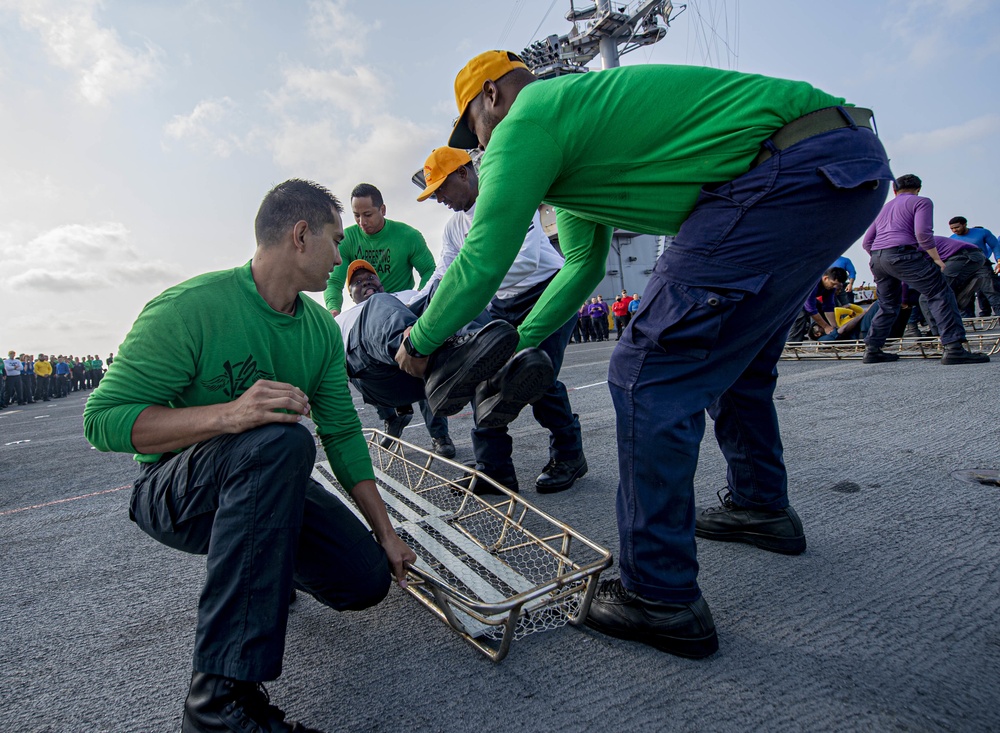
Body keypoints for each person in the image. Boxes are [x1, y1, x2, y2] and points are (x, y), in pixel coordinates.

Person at [395, 50, 896, 659]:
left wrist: (419, 344)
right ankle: (760, 508)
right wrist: (519, 347)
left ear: (491, 97)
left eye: (471, 124)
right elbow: (579, 269)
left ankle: (659, 597)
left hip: (780, 172)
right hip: (844, 165)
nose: (478, 142)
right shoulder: (577, 142)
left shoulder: (525, 120)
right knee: (738, 364)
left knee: (645, 370)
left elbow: (483, 257)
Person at [84, 179, 417, 733]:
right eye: (337, 241)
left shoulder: (318, 331)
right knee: (280, 439)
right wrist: (226, 416)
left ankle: (266, 564)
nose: (343, 256)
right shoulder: (191, 308)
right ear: (301, 235)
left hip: (263, 480)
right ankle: (217, 704)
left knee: (364, 582)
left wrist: (385, 532)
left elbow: (342, 434)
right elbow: (102, 420)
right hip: (174, 491)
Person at [417, 146, 586, 493]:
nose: (440, 200)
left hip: (547, 292)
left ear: (464, 174)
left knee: (536, 375)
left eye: (441, 190)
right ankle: (494, 470)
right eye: (433, 195)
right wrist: (418, 309)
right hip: (503, 301)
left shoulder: (508, 200)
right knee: (480, 371)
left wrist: (472, 284)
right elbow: (446, 273)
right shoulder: (453, 227)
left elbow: (523, 261)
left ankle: (570, 455)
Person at [337, 258, 553, 439]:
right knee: (379, 303)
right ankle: (425, 354)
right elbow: (327, 365)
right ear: (350, 293)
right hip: (378, 375)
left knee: (444, 286)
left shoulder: (403, 296)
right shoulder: (343, 319)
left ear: (381, 281)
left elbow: (439, 296)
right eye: (357, 282)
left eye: (370, 277)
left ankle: (492, 375)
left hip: (422, 370)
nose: (366, 282)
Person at [321, 183, 445, 454]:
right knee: (357, 349)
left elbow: (430, 272)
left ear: (382, 210)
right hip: (368, 322)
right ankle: (392, 416)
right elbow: (335, 280)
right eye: (356, 216)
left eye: (368, 214)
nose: (362, 222)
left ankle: (440, 436)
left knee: (423, 341)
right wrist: (333, 309)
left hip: (404, 308)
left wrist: (414, 298)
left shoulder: (408, 236)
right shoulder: (349, 239)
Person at [862, 175, 988, 365]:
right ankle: (954, 348)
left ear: (895, 191)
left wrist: (882, 257)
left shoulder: (882, 209)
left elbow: (867, 242)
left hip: (878, 257)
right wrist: (936, 258)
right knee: (940, 293)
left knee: (888, 304)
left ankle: (872, 349)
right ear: (918, 188)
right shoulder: (921, 202)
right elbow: (922, 233)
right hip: (903, 254)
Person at [948, 217, 1000, 316]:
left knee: (991, 290)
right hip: (964, 269)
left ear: (964, 224)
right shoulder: (952, 239)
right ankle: (967, 317)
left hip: (982, 266)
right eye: (952, 228)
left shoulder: (982, 233)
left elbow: (995, 246)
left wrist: (999, 261)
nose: (955, 230)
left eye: (957, 227)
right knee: (964, 293)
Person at [786, 267, 848, 341]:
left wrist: (834, 327)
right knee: (800, 314)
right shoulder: (812, 282)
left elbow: (828, 307)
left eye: (837, 285)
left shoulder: (831, 287)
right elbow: (810, 309)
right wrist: (825, 326)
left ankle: (824, 337)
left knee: (820, 308)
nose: (834, 287)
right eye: (833, 284)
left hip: (803, 299)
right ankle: (792, 344)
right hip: (789, 299)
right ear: (825, 278)